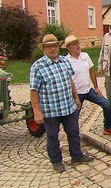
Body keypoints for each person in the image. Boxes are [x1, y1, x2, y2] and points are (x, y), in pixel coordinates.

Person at [30, 34, 93, 173]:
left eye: (55, 45)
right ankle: (56, 161)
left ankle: (76, 156)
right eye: (49, 46)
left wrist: (76, 98)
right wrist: (37, 111)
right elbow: (33, 90)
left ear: (58, 47)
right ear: (44, 49)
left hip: (68, 106)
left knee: (73, 131)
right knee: (53, 136)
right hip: (50, 110)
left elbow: (70, 80)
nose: (52, 49)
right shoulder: (38, 66)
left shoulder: (65, 61)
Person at [63, 35, 111, 136]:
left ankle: (107, 127)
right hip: (76, 93)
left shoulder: (85, 56)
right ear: (68, 47)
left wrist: (96, 87)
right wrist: (73, 95)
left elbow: (91, 72)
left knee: (107, 104)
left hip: (88, 90)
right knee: (74, 116)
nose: (77, 46)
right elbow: (67, 79)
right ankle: (73, 135)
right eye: (74, 44)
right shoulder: (65, 61)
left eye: (78, 43)